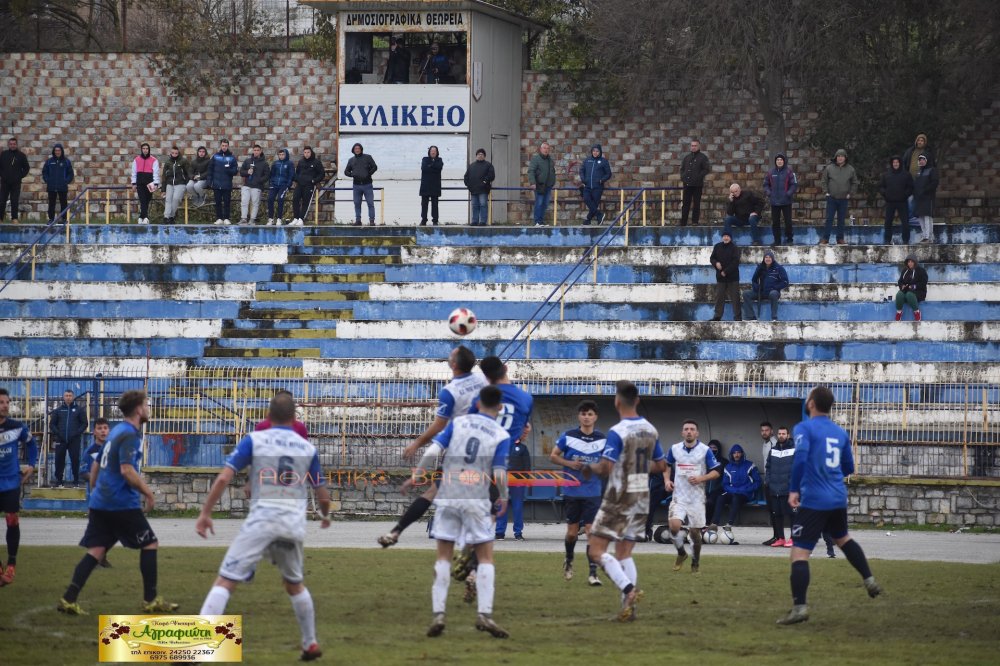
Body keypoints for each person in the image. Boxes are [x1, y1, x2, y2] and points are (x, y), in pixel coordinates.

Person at [195, 393, 330, 661]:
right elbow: (323, 495)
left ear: (268, 417)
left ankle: (198, 646)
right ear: (294, 419)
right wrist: (325, 515)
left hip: (262, 520)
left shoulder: (255, 440)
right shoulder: (307, 448)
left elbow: (224, 477)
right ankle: (310, 643)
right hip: (292, 524)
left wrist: (205, 513)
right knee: (295, 584)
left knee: (226, 580)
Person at [57, 390, 179, 615]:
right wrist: (148, 493)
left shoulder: (115, 432)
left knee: (96, 551)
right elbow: (127, 470)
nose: (149, 408)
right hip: (121, 503)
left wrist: (96, 494)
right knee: (150, 544)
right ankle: (151, 600)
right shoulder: (130, 434)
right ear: (139, 409)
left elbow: (95, 467)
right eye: (147, 404)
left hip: (102, 502)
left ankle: (68, 599)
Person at [404, 385, 511, 639]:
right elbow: (498, 472)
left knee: (443, 556)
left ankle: (439, 613)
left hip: (450, 493)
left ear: (477, 403)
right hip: (476, 497)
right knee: (485, 557)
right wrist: (504, 496)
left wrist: (418, 473)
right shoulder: (500, 434)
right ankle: (484, 614)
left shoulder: (458, 422)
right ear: (499, 408)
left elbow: (432, 451)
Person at [777, 386, 882, 625]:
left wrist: (794, 489)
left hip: (814, 498)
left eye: (808, 398)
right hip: (837, 497)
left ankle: (800, 608)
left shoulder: (804, 428)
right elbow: (848, 467)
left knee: (799, 553)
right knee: (842, 538)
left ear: (812, 403)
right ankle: (869, 579)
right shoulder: (840, 432)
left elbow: (801, 459)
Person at [380, 346, 487, 548]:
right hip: (483, 448)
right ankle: (473, 560)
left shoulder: (450, 391)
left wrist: (416, 444)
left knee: (433, 495)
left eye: (451, 354)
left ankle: (397, 531)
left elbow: (440, 424)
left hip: (457, 450)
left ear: (454, 364)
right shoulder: (483, 381)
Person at [586, 381, 667, 621]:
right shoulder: (651, 430)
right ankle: (627, 611)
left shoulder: (617, 431)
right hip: (642, 495)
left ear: (616, 401)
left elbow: (605, 467)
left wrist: (588, 466)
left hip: (619, 496)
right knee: (624, 554)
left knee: (595, 550)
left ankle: (629, 591)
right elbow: (661, 465)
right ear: (638, 400)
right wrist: (636, 464)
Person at [468, 356, 534, 538]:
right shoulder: (526, 398)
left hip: (482, 457)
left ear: (487, 377)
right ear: (505, 368)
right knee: (499, 506)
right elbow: (524, 428)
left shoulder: (481, 397)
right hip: (507, 456)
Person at [550, 400, 606, 586]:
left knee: (591, 532)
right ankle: (569, 559)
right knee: (572, 533)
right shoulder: (568, 436)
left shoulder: (602, 439)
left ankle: (593, 573)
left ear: (595, 417)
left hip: (593, 492)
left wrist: (596, 468)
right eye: (583, 414)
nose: (586, 417)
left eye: (590, 414)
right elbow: (553, 456)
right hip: (572, 490)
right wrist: (570, 464)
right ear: (579, 416)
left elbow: (608, 465)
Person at [664, 420, 721, 575]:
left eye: (692, 429)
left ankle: (695, 562)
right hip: (679, 497)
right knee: (674, 527)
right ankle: (682, 553)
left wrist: (701, 478)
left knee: (695, 534)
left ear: (697, 433)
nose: (689, 431)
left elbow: (716, 472)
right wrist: (667, 480)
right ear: (682, 433)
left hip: (697, 499)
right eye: (686, 429)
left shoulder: (705, 450)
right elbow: (666, 465)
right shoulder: (674, 449)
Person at [0, 387, 38, 587]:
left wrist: (31, 466)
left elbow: (32, 444)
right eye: (1, 402)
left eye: (7, 402)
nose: (5, 405)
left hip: (11, 482)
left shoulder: (17, 427)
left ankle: (11, 565)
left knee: (12, 520)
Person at [708, 444, 760, 533]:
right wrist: (734, 490)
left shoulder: (750, 465)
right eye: (734, 453)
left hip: (746, 494)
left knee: (736, 498)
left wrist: (745, 490)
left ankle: (729, 524)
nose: (736, 455)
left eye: (738, 452)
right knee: (721, 497)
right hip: (732, 492)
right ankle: (714, 523)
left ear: (742, 454)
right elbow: (725, 484)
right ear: (731, 454)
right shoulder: (728, 467)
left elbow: (757, 482)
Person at [49, 389, 88, 488]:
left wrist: (77, 433)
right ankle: (59, 481)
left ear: (73, 397)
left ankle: (76, 481)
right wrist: (58, 433)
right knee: (59, 460)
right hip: (60, 440)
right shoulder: (58, 410)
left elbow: (85, 423)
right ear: (63, 397)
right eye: (66, 395)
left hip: (74, 440)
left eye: (70, 395)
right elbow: (52, 424)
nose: (68, 397)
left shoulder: (79, 410)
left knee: (75, 460)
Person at [764, 426, 795, 547]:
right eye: (779, 433)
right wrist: (768, 481)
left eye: (784, 433)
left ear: (788, 435)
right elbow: (768, 468)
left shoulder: (794, 450)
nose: (781, 435)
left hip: (789, 489)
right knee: (777, 515)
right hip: (774, 489)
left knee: (793, 515)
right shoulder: (773, 450)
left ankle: (794, 538)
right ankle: (781, 538)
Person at [820, 148, 857, 245]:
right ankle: (825, 239)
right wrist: (826, 192)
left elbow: (854, 182)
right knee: (829, 219)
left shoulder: (850, 169)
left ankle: (840, 239)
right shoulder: (829, 168)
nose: (840, 158)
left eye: (842, 156)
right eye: (838, 156)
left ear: (845, 158)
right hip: (831, 198)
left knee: (841, 220)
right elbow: (824, 181)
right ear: (836, 157)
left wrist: (851, 193)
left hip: (844, 199)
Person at [496, 433, 530, 541]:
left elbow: (527, 466)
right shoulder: (502, 447)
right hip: (502, 481)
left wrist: (525, 480)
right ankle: (499, 532)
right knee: (502, 507)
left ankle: (518, 532)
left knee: (518, 507)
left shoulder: (523, 448)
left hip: (518, 482)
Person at [742, 250, 790, 321]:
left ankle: (774, 317)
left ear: (772, 259)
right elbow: (754, 280)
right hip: (761, 292)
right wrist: (756, 287)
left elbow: (785, 282)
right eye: (766, 257)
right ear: (764, 259)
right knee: (746, 293)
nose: (768, 259)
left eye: (769, 257)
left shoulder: (779, 268)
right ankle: (751, 317)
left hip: (773, 292)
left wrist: (774, 288)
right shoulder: (760, 268)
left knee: (773, 294)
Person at [879, 155, 914, 245]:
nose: (895, 164)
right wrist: (885, 194)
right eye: (894, 162)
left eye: (897, 162)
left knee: (905, 222)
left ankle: (906, 240)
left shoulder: (906, 174)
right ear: (892, 164)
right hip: (890, 202)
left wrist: (905, 195)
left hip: (902, 202)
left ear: (900, 163)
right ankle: (887, 240)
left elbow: (910, 187)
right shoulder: (886, 175)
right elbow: (881, 187)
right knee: (888, 222)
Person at [764, 153, 798, 245]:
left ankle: (789, 239)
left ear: (784, 161)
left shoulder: (789, 172)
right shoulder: (771, 172)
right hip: (774, 202)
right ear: (775, 161)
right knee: (775, 223)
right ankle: (777, 240)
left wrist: (788, 194)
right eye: (778, 160)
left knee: (788, 222)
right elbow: (766, 184)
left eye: (781, 160)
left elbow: (794, 185)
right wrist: (769, 193)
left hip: (786, 201)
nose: (779, 161)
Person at [709, 230, 741, 321]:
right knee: (719, 297)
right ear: (722, 237)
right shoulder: (717, 246)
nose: (726, 238)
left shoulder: (735, 248)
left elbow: (735, 262)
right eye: (724, 236)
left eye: (728, 236)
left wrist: (726, 271)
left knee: (735, 298)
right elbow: (712, 258)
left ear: (730, 237)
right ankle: (717, 316)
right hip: (720, 277)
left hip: (733, 277)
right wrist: (716, 263)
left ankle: (738, 317)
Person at [290, 146, 325, 227]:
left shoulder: (316, 162)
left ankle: (301, 219)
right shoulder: (301, 161)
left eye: (308, 152)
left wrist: (314, 181)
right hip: (300, 184)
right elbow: (297, 172)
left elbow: (322, 174)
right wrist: (297, 179)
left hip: (309, 185)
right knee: (295, 199)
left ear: (311, 152)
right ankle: (296, 218)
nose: (306, 154)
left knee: (306, 202)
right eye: (305, 152)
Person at [345, 142, 378, 227]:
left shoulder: (368, 157)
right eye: (355, 149)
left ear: (361, 149)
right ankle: (358, 220)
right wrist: (352, 174)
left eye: (358, 148)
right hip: (356, 186)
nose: (357, 150)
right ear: (353, 150)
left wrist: (369, 173)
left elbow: (375, 167)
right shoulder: (351, 160)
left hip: (367, 185)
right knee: (357, 203)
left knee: (370, 203)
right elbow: (346, 171)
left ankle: (371, 221)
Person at [679, 139, 710, 226]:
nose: (693, 147)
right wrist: (683, 177)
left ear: (699, 146)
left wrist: (698, 177)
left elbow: (706, 169)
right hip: (687, 184)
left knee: (696, 203)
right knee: (685, 203)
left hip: (697, 185)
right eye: (692, 145)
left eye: (695, 145)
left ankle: (695, 221)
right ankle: (683, 222)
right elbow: (682, 169)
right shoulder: (687, 157)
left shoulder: (703, 157)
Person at [207, 139, 238, 225]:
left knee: (227, 202)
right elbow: (210, 169)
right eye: (223, 145)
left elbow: (235, 171)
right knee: (218, 202)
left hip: (227, 184)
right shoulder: (215, 156)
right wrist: (209, 181)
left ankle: (227, 218)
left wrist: (229, 170)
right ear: (220, 146)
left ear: (228, 146)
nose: (224, 147)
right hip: (216, 183)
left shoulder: (232, 158)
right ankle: (219, 218)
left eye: (226, 146)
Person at [42, 143, 75, 223]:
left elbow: (70, 173)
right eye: (56, 150)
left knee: (64, 203)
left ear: (61, 151)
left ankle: (64, 219)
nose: (57, 152)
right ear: (54, 151)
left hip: (62, 186)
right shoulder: (49, 161)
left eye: (59, 150)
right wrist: (48, 180)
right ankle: (51, 219)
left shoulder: (66, 161)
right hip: (51, 186)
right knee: (51, 204)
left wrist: (66, 181)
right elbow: (44, 172)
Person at [580, 144, 612, 224]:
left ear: (600, 152)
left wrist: (601, 180)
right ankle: (599, 214)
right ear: (592, 151)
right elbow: (581, 171)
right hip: (587, 186)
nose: (595, 152)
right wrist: (583, 179)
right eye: (594, 151)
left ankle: (588, 220)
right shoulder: (587, 160)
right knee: (587, 199)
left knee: (594, 204)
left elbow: (608, 174)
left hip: (598, 187)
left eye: (597, 151)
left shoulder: (604, 161)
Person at [0, 138, 30, 223]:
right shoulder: (3, 154)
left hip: (16, 183)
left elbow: (26, 168)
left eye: (14, 144)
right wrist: (2, 175)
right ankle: (0, 218)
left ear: (16, 145)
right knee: (2, 201)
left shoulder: (21, 155)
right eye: (11, 144)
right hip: (5, 182)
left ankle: (14, 218)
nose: (12, 145)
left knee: (14, 201)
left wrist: (20, 176)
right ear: (8, 145)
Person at [238, 144, 269, 225]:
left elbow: (267, 175)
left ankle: (252, 219)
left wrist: (259, 180)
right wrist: (247, 172)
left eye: (258, 150)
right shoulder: (247, 161)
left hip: (257, 186)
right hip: (247, 185)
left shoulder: (264, 163)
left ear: (260, 151)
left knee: (255, 203)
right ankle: (244, 218)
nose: (256, 152)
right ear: (252, 151)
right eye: (254, 150)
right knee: (244, 201)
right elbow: (241, 172)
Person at [528, 142, 557, 227]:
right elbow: (531, 171)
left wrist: (553, 182)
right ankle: (537, 221)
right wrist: (532, 182)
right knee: (539, 203)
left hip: (548, 186)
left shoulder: (550, 160)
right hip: (539, 185)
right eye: (544, 148)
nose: (546, 150)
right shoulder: (536, 158)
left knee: (545, 203)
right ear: (540, 149)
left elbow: (552, 172)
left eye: (548, 148)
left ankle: (541, 221)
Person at [129, 143, 159, 225]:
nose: (145, 150)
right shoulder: (136, 160)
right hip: (140, 183)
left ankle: (141, 217)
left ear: (149, 150)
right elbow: (134, 172)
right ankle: (145, 217)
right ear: (141, 149)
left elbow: (156, 173)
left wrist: (156, 183)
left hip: (150, 184)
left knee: (147, 200)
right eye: (144, 148)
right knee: (142, 200)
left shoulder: (154, 160)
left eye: (147, 148)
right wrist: (133, 183)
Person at [159, 146, 190, 225]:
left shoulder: (183, 161)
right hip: (169, 183)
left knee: (176, 199)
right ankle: (166, 217)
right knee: (168, 199)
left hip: (180, 183)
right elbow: (164, 176)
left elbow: (188, 173)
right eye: (173, 153)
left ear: (178, 153)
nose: (174, 154)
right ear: (170, 153)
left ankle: (171, 216)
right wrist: (163, 189)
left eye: (176, 153)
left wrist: (187, 184)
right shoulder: (168, 162)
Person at [464, 148, 495, 226]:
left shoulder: (488, 165)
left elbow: (491, 175)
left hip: (483, 190)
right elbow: (466, 176)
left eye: (482, 154)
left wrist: (485, 181)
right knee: (474, 206)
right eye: (478, 154)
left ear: (484, 156)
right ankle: (474, 221)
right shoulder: (472, 166)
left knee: (483, 205)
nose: (480, 156)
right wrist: (468, 185)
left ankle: (483, 221)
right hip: (473, 190)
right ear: (476, 156)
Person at [912, 154, 939, 243]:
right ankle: (924, 235)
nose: (921, 161)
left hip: (928, 198)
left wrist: (925, 190)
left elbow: (934, 183)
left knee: (927, 217)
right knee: (920, 217)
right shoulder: (918, 172)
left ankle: (929, 236)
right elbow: (915, 185)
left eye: (923, 159)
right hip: (919, 199)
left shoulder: (932, 170)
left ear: (927, 160)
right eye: (920, 159)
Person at [895, 255, 928, 322]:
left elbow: (924, 282)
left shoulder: (921, 270)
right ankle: (899, 312)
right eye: (908, 262)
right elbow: (900, 281)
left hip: (919, 292)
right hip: (907, 290)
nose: (910, 263)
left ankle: (917, 312)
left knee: (909, 295)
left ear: (915, 262)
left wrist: (914, 286)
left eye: (912, 262)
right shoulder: (905, 270)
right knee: (899, 295)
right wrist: (902, 286)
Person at [266, 148, 294, 226]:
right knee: (270, 199)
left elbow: (291, 175)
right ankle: (270, 219)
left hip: (283, 185)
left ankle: (279, 219)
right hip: (274, 185)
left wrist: (288, 185)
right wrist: (271, 183)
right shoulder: (275, 163)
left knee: (280, 199)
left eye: (283, 155)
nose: (281, 156)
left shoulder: (289, 163)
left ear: (286, 155)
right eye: (280, 155)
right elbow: (272, 174)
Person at [80, 417, 110, 489]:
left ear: (109, 430)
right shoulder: (89, 452)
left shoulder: (114, 450)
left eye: (105, 428)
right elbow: (83, 473)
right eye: (99, 428)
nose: (103, 431)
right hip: (95, 493)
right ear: (94, 432)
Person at [703, 439, 727, 526]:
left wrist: (718, 488)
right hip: (704, 489)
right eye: (710, 447)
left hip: (718, 490)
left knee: (710, 502)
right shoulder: (703, 461)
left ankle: (707, 523)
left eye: (714, 447)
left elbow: (725, 478)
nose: (712, 449)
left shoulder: (724, 462)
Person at [420, 146, 444, 226]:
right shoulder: (425, 159)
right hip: (425, 186)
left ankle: (435, 220)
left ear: (437, 152)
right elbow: (424, 168)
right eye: (432, 151)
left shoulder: (439, 160)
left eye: (434, 151)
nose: (433, 152)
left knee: (435, 204)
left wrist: (430, 166)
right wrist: (433, 167)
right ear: (429, 152)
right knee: (424, 204)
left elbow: (439, 167)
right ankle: (424, 220)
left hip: (435, 186)